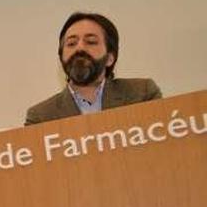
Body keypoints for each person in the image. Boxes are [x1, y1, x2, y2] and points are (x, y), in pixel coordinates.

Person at [25, 12, 162, 125]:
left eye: (90, 42)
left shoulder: (142, 94)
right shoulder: (40, 117)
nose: (79, 48)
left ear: (110, 58)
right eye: (71, 43)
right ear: (61, 59)